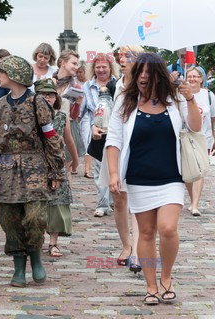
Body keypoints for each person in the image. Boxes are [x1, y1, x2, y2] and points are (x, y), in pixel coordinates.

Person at [106, 52, 201, 305]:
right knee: (146, 233)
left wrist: (190, 99)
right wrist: (114, 173)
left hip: (171, 176)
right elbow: (113, 139)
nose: (143, 78)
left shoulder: (176, 99)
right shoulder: (125, 102)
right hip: (138, 177)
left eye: (148, 73)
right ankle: (150, 286)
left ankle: (166, 277)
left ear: (158, 75)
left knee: (167, 228)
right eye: (139, 73)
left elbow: (195, 127)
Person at [0, 56, 65, 287]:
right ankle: (19, 266)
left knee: (35, 218)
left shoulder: (37, 102)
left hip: (35, 166)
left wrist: (55, 170)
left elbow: (50, 136)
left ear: (15, 75)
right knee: (10, 219)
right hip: (5, 169)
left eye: (3, 71)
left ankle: (36, 257)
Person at [100, 45, 144, 273]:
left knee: (137, 201)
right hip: (116, 148)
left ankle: (137, 250)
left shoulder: (146, 85)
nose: (122, 60)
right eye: (121, 56)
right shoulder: (116, 86)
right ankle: (126, 245)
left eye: (128, 56)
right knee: (119, 199)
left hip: (138, 150)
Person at [34, 79, 77, 258]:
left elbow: (68, 139)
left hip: (56, 164)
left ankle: (53, 243)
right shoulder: (30, 117)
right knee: (36, 205)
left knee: (58, 203)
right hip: (35, 165)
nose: (47, 98)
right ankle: (35, 242)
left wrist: (75, 159)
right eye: (43, 94)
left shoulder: (61, 116)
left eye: (50, 94)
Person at [81, 53, 119, 217]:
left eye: (104, 67)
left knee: (114, 167)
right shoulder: (87, 87)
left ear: (111, 68)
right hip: (96, 132)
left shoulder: (118, 85)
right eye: (98, 67)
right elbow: (81, 111)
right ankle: (103, 204)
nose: (101, 70)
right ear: (93, 69)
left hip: (115, 131)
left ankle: (111, 200)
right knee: (98, 168)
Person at [184, 66, 215, 216]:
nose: (192, 79)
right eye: (189, 76)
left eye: (195, 76)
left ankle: (195, 204)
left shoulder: (208, 96)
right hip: (186, 137)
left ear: (201, 79)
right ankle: (192, 199)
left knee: (200, 170)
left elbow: (213, 119)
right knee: (189, 170)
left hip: (204, 138)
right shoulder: (180, 94)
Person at [53, 50, 85, 177]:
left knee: (67, 167)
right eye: (74, 63)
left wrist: (77, 103)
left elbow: (75, 116)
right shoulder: (50, 81)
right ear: (62, 63)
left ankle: (67, 195)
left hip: (69, 128)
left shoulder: (75, 86)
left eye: (77, 64)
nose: (76, 67)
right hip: (51, 127)